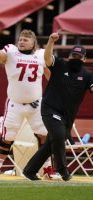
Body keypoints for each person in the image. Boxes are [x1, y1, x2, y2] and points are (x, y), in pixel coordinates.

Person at [0, 20, 58, 179]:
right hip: (15, 103)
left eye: (25, 40)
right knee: (8, 137)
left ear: (34, 43)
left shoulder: (40, 54)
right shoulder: (11, 51)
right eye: (20, 39)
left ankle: (47, 170)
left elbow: (51, 77)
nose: (21, 42)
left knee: (45, 135)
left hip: (37, 104)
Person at [23, 32, 93, 181]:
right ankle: (63, 170)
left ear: (84, 59)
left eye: (79, 57)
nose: (76, 59)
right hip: (50, 109)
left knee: (50, 144)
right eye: (74, 56)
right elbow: (47, 58)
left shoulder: (87, 76)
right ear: (70, 56)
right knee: (59, 136)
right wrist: (50, 41)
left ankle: (29, 171)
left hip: (67, 117)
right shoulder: (61, 65)